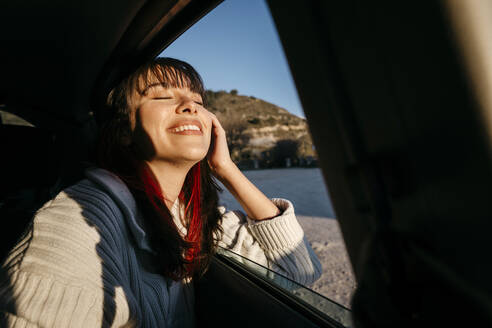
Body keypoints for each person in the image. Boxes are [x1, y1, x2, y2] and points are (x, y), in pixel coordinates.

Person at [0, 57, 322, 327]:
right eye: (163, 96)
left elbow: (300, 270)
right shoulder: (83, 217)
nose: (189, 107)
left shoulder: (190, 216)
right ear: (126, 132)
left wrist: (225, 167)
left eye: (198, 101)